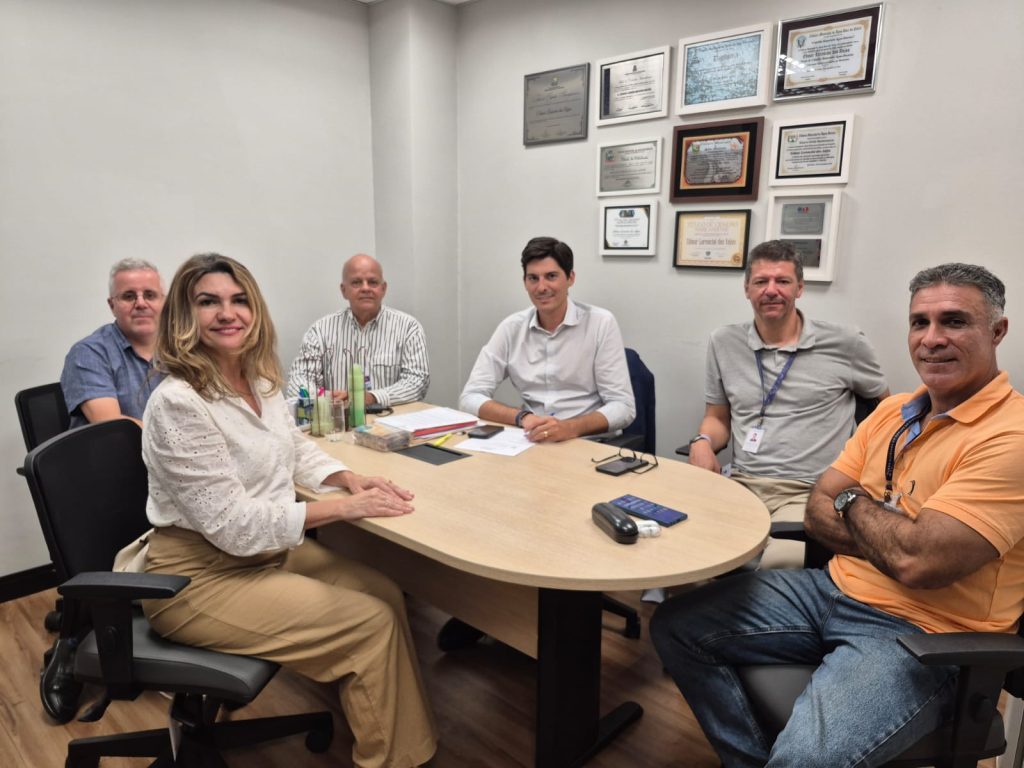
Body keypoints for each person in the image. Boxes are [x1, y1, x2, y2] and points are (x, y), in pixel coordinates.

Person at [651, 263, 1024, 767]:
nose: (932, 338)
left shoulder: (1011, 437)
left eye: (954, 321)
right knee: (675, 625)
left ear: (997, 331)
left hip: (922, 632)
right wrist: (887, 535)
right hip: (832, 589)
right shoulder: (894, 411)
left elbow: (918, 562)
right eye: (920, 322)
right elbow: (817, 509)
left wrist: (851, 502)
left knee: (805, 759)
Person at [140, 253, 437, 768]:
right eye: (208, 302)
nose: (227, 313)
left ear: (255, 310)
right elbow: (234, 525)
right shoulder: (178, 402)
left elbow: (294, 447)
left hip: (264, 554)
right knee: (369, 623)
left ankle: (399, 744)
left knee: (385, 592)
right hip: (197, 578)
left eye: (239, 300)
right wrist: (344, 510)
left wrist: (347, 478)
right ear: (185, 317)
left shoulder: (257, 380)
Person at [686, 240, 888, 568]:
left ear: (799, 288)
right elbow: (717, 418)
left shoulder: (846, 343)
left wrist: (860, 474)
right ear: (747, 289)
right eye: (761, 281)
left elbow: (887, 414)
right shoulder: (724, 342)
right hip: (742, 484)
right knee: (687, 552)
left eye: (782, 281)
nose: (771, 290)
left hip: (809, 491)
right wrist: (703, 441)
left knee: (777, 566)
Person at [459, 236, 635, 442]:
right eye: (533, 278)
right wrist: (522, 417)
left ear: (570, 278)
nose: (541, 287)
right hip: (533, 439)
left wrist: (570, 428)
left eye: (551, 276)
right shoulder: (511, 328)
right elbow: (470, 397)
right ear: (525, 282)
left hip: (587, 442)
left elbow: (623, 407)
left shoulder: (600, 323)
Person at [286, 253, 429, 407]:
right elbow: (297, 382)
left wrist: (371, 397)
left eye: (373, 282)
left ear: (383, 289)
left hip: (392, 419)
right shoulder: (320, 331)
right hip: (339, 418)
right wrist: (326, 399)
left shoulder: (408, 328)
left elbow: (417, 382)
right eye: (356, 282)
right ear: (343, 290)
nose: (365, 288)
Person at [60, 258, 166, 427]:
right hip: (117, 445)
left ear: (164, 302)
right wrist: (179, 438)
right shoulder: (88, 353)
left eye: (150, 295)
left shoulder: (180, 348)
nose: (141, 303)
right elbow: (114, 427)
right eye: (129, 296)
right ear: (112, 305)